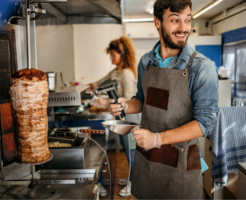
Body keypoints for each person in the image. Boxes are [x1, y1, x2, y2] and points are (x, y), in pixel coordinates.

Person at [107, 0, 219, 199]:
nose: (183, 28)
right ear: (157, 22)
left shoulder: (202, 67)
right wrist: (126, 105)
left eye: (187, 20)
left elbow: (205, 124)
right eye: (175, 20)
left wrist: (157, 139)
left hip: (182, 166)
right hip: (148, 161)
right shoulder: (146, 62)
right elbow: (142, 100)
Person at [88, 36, 139, 197]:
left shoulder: (126, 74)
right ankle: (130, 178)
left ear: (121, 54)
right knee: (125, 149)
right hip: (121, 119)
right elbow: (101, 82)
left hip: (130, 119)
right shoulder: (115, 71)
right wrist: (88, 86)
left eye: (113, 55)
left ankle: (134, 183)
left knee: (131, 152)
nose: (110, 58)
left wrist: (110, 100)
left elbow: (131, 98)